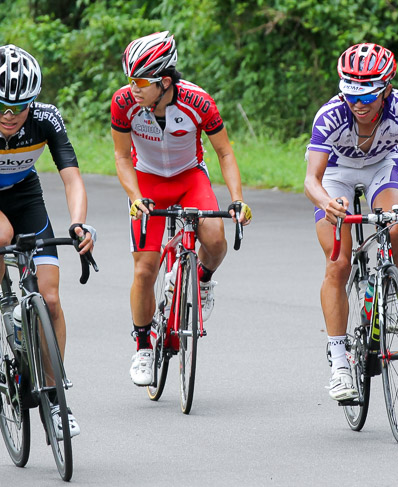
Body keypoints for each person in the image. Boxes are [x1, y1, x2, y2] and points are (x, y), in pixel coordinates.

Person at [0, 44, 95, 438]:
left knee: (51, 299)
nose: (10, 117)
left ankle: (56, 397)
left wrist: (78, 223)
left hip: (26, 196)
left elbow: (72, 177)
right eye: (0, 107)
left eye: (21, 107)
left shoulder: (46, 119)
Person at [303, 42, 398, 401]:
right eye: (350, 95)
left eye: (367, 97)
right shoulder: (330, 116)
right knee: (338, 264)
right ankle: (340, 363)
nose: (357, 104)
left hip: (381, 166)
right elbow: (311, 180)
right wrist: (326, 203)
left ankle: (384, 284)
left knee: (395, 224)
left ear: (386, 89)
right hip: (336, 175)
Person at [111, 31, 252, 387]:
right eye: (130, 80)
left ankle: (201, 282)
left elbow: (224, 153)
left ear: (166, 81)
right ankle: (143, 345)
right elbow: (121, 157)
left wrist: (236, 198)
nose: (134, 88)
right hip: (148, 183)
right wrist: (135, 196)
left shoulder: (199, 102)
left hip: (190, 177)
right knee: (145, 269)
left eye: (141, 81)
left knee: (216, 241)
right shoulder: (123, 103)